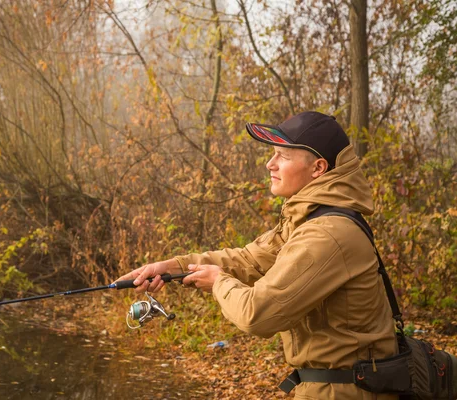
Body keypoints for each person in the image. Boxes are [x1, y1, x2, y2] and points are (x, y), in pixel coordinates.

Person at [116, 111, 398, 399]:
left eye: (282, 156)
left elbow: (259, 313)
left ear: (318, 168)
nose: (269, 164)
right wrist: (172, 266)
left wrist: (218, 282)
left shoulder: (327, 233)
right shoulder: (308, 220)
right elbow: (248, 260)